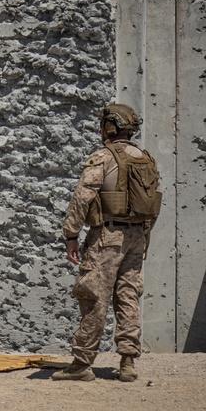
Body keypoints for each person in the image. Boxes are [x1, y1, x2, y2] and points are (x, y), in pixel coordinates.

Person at [55, 103, 157, 382]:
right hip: (137, 237)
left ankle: (81, 364)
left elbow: (83, 196)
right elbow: (152, 204)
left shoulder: (103, 157)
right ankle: (127, 361)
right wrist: (143, 237)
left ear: (109, 127)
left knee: (93, 296)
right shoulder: (144, 158)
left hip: (108, 237)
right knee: (128, 296)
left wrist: (71, 235)